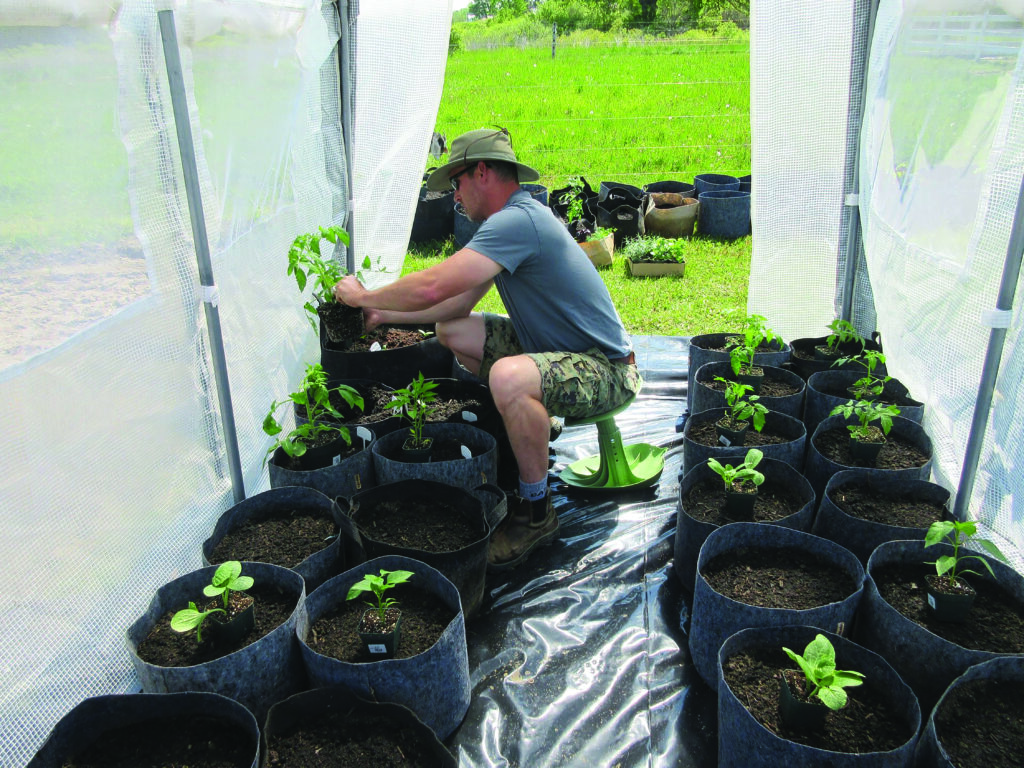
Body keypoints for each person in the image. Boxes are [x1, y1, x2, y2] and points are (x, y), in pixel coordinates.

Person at [333, 127, 640, 570]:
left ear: (481, 172)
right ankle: (534, 419)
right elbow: (454, 304)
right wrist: (383, 316)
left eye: (456, 184)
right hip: (561, 352)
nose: (455, 198)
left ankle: (535, 512)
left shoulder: (516, 222)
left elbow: (435, 283)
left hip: (608, 371)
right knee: (454, 331)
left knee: (508, 377)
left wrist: (365, 297)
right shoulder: (511, 222)